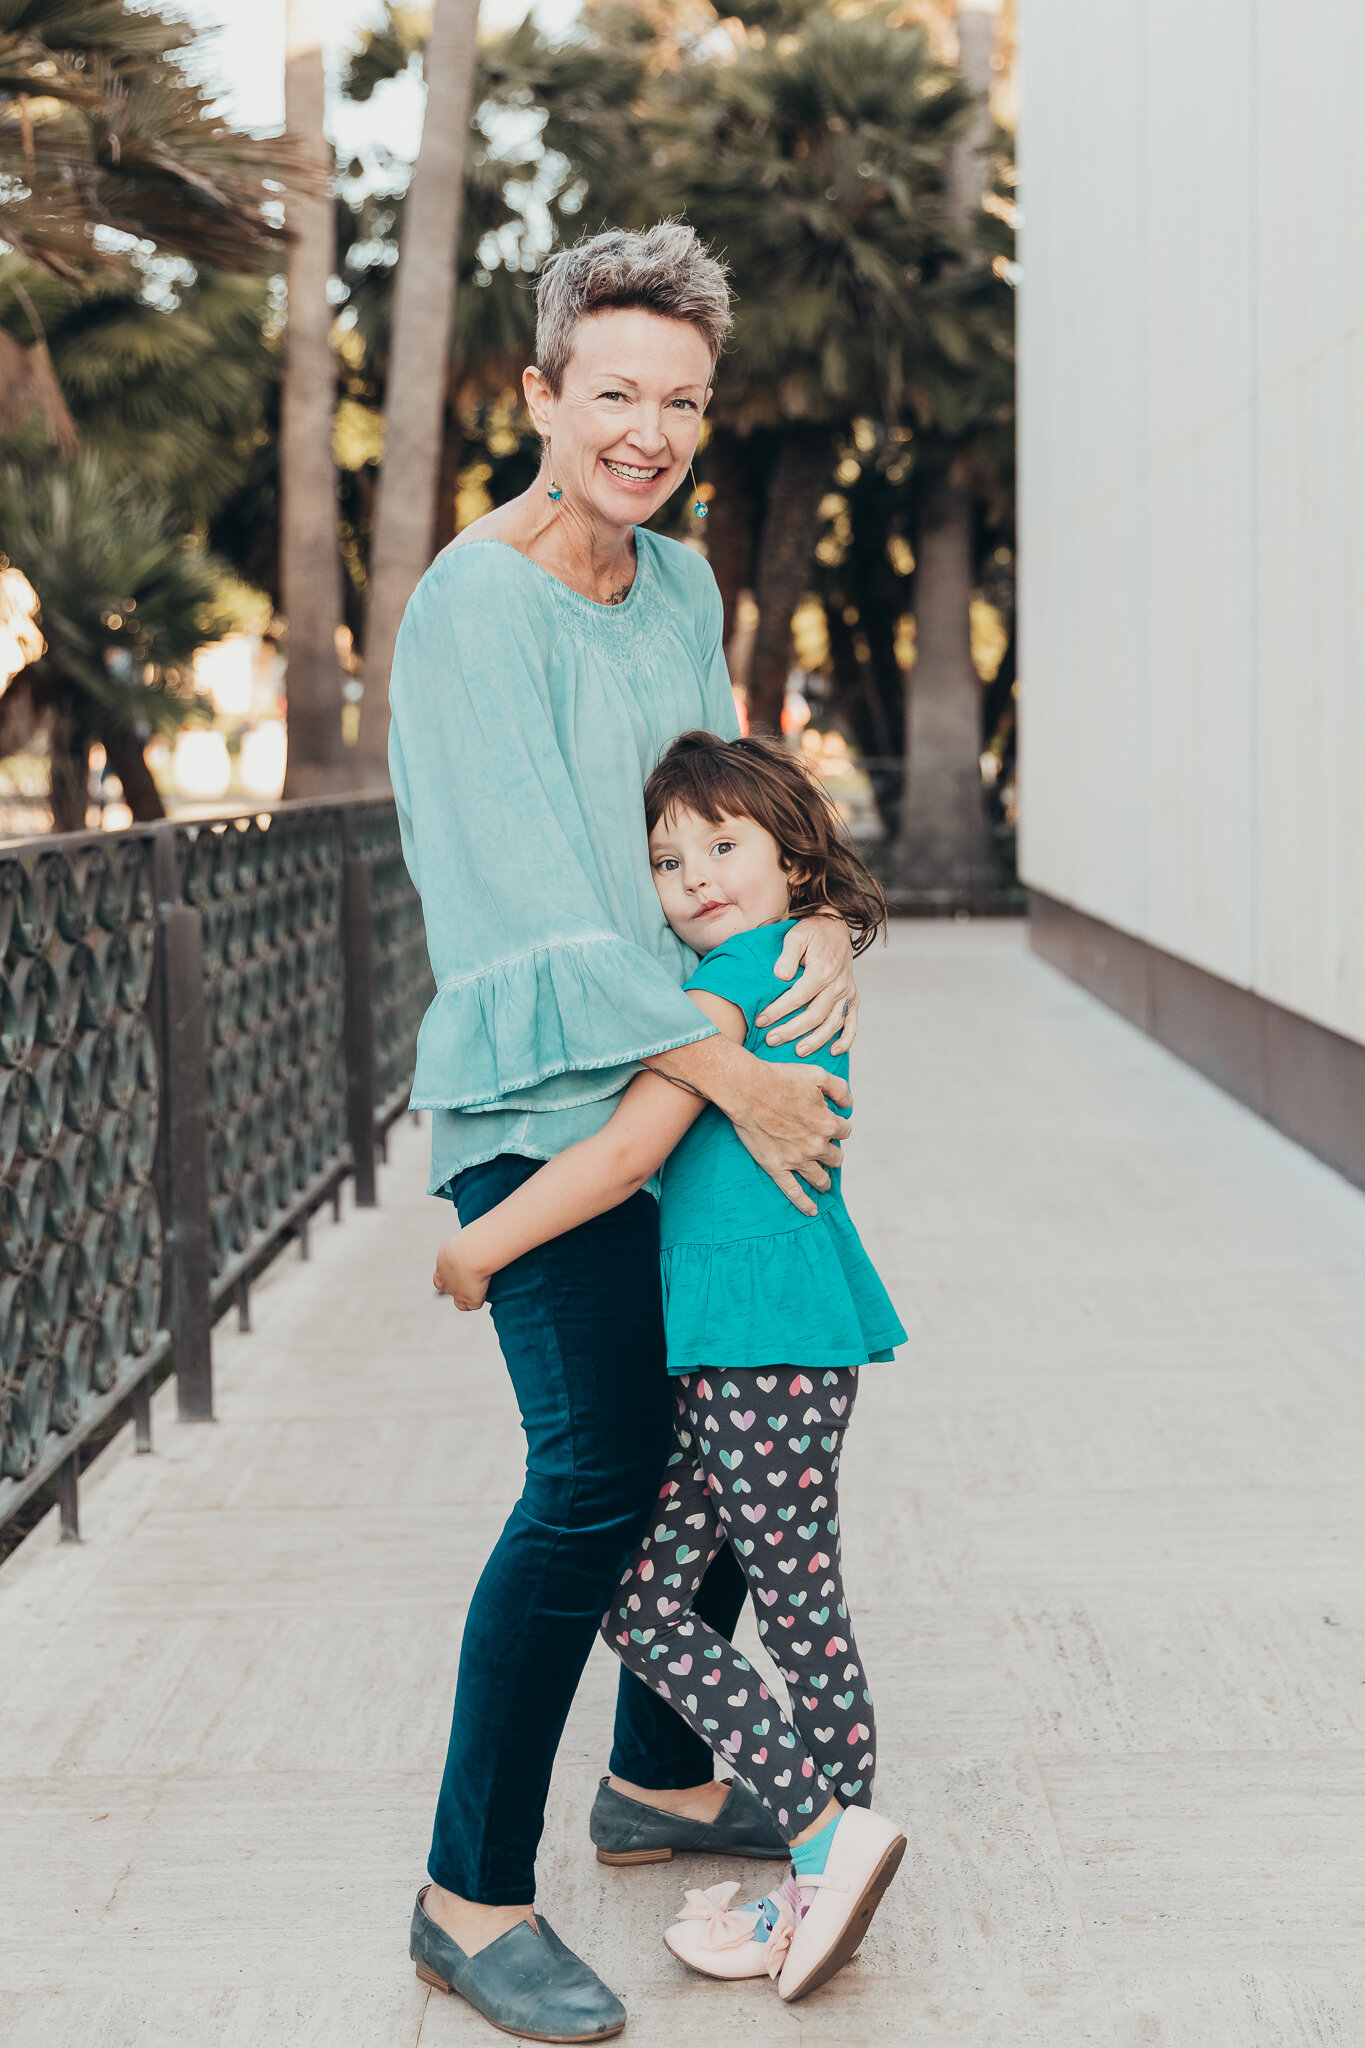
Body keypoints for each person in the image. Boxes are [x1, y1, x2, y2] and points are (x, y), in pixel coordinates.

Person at [390, 223, 864, 2042]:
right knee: (592, 1479)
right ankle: (465, 1890)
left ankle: (660, 1782)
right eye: (614, 394)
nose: (647, 431)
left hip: (696, 1077)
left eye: (680, 401)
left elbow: (725, 810)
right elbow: (535, 909)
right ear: (540, 394)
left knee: (734, 1425)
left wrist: (812, 912)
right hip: (554, 1104)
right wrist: (722, 1062)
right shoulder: (468, 604)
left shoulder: (676, 586)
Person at [436, 729, 908, 2007]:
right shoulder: (782, 963)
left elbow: (618, 1157)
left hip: (763, 1351)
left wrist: (479, 1244)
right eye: (666, 858)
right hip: (752, 1351)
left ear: (792, 856)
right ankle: (826, 1836)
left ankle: (823, 1842)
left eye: (722, 844)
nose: (693, 874)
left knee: (790, 1606)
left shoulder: (713, 1001)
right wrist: (816, 922)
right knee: (664, 1594)